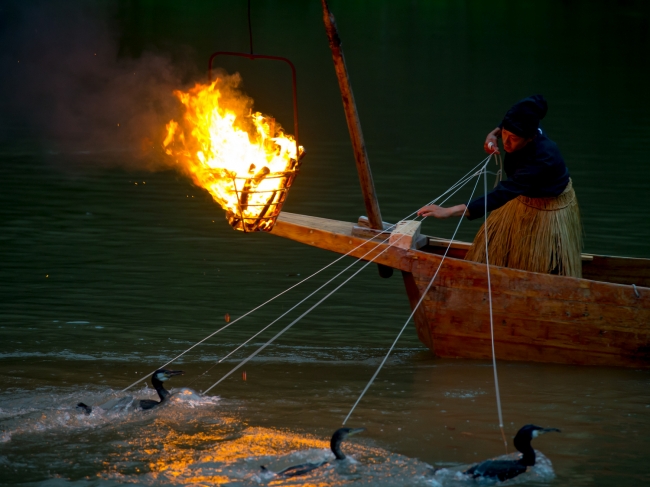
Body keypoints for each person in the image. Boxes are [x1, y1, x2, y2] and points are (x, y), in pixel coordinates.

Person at [417, 95, 583, 277]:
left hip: (549, 208)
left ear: (530, 138)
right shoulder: (523, 121)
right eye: (504, 133)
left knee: (542, 266)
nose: (506, 142)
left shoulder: (542, 158)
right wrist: (493, 133)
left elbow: (503, 193)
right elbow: (527, 107)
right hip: (522, 198)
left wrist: (449, 211)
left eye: (513, 138)